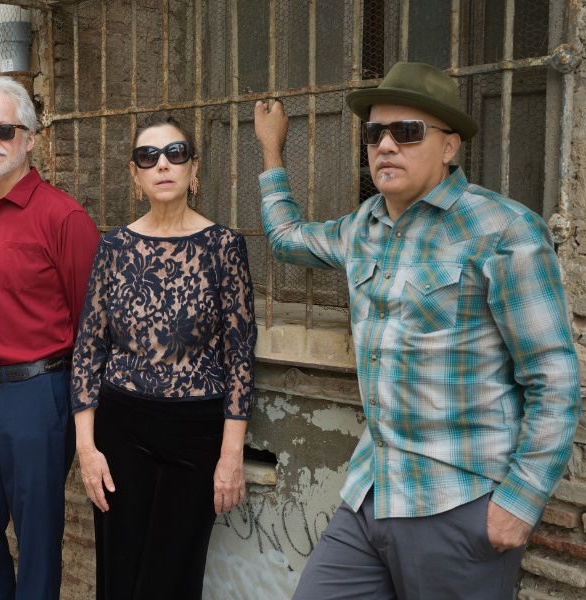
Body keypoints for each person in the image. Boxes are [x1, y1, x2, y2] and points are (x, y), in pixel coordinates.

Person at [255, 62, 581, 599]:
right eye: (374, 133)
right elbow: (287, 239)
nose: (386, 145)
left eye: (407, 132)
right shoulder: (364, 227)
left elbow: (554, 376)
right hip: (372, 492)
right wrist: (271, 150)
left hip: (459, 502)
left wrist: (520, 501)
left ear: (449, 147)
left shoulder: (503, 230)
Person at [71, 113, 257, 600]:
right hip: (121, 429)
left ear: (194, 170)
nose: (162, 165)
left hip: (195, 434)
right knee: (120, 572)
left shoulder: (223, 246)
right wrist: (87, 450)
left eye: (175, 153)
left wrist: (231, 454)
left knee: (171, 578)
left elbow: (240, 356)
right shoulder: (113, 246)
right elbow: (89, 349)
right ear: (135, 176)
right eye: (147, 156)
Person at [0, 74, 100, 600]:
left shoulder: (65, 218)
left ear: (31, 137)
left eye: (4, 129)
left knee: (37, 545)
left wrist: (84, 425)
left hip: (36, 397)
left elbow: (92, 331)